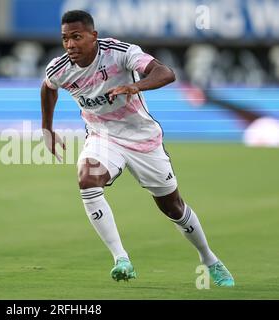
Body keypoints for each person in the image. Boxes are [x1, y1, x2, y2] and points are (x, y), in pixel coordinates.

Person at [40, 10, 234, 286]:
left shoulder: (120, 53)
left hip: (143, 140)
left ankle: (209, 258)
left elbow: (166, 73)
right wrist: (47, 128)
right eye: (65, 39)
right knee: (87, 178)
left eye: (76, 37)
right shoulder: (60, 68)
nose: (70, 44)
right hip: (103, 137)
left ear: (93, 37)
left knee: (173, 208)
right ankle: (121, 258)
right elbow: (48, 88)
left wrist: (135, 86)